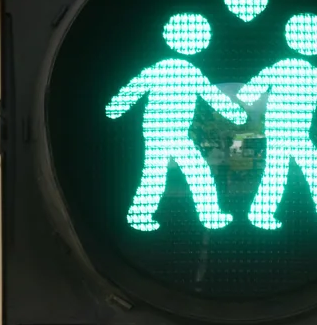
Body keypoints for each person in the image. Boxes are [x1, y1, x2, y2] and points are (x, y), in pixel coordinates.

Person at [105, 13, 247, 232]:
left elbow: (135, 88)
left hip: (163, 132)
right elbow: (212, 96)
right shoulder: (183, 70)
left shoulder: (169, 68)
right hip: (164, 133)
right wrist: (235, 114)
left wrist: (116, 107)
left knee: (165, 173)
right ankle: (205, 215)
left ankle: (142, 214)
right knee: (188, 172)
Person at [236, 13, 317, 231]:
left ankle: (262, 214)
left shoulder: (283, 67)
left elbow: (249, 92)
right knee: (312, 173)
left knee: (282, 174)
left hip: (287, 133)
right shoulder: (306, 71)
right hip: (289, 134)